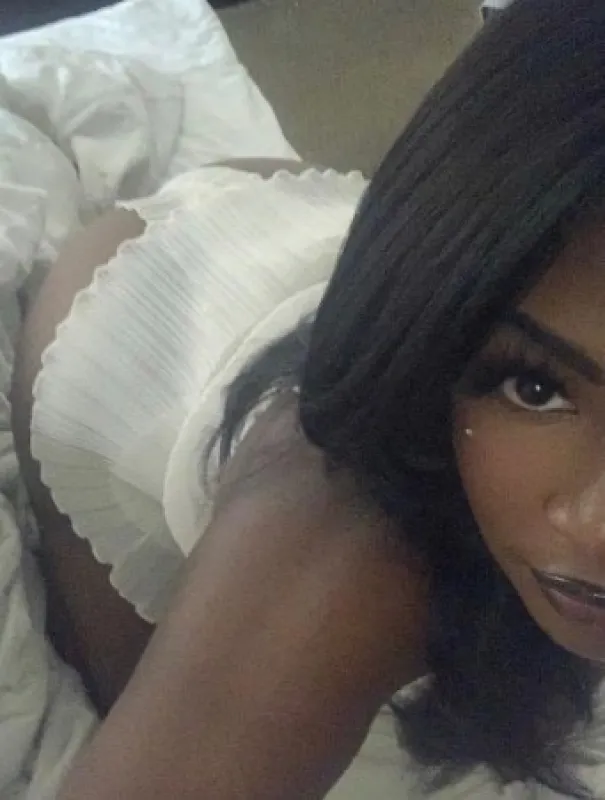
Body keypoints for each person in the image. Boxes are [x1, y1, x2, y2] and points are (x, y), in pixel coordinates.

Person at [10, 0, 605, 796]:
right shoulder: (345, 552)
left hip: (302, 234)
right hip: (129, 331)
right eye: (533, 388)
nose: (593, 526)